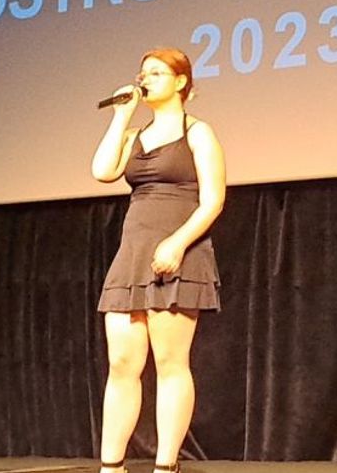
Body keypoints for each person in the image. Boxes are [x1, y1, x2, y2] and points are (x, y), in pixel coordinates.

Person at [91, 48, 226, 473]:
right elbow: (102, 171)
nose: (145, 80)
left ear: (181, 82)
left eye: (155, 73)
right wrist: (121, 116)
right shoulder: (134, 134)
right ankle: (111, 466)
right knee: (121, 363)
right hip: (132, 253)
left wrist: (177, 243)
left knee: (170, 364)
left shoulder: (197, 132)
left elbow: (213, 201)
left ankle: (166, 466)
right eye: (142, 74)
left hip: (178, 251)